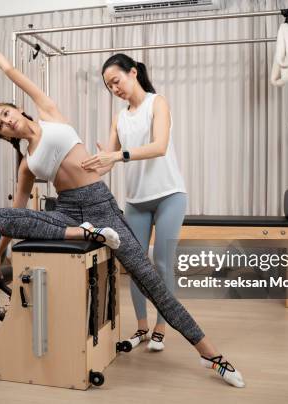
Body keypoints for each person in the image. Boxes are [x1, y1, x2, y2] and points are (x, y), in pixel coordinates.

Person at [0, 33, 245, 388]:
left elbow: (13, 71)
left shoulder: (49, 114)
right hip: (68, 215)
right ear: (4, 135)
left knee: (151, 281)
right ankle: (87, 235)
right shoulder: (27, 165)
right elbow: (14, 216)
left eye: (5, 113)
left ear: (18, 109)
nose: (6, 121)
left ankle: (211, 356)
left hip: (100, 206)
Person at [82, 54, 186, 352]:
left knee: (164, 264)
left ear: (133, 72)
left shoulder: (158, 103)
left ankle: (161, 327)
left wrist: (115, 155)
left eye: (116, 81)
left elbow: (159, 146)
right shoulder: (120, 117)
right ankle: (141, 327)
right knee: (136, 265)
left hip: (170, 195)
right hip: (136, 201)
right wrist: (91, 164)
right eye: (109, 86)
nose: (114, 89)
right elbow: (107, 164)